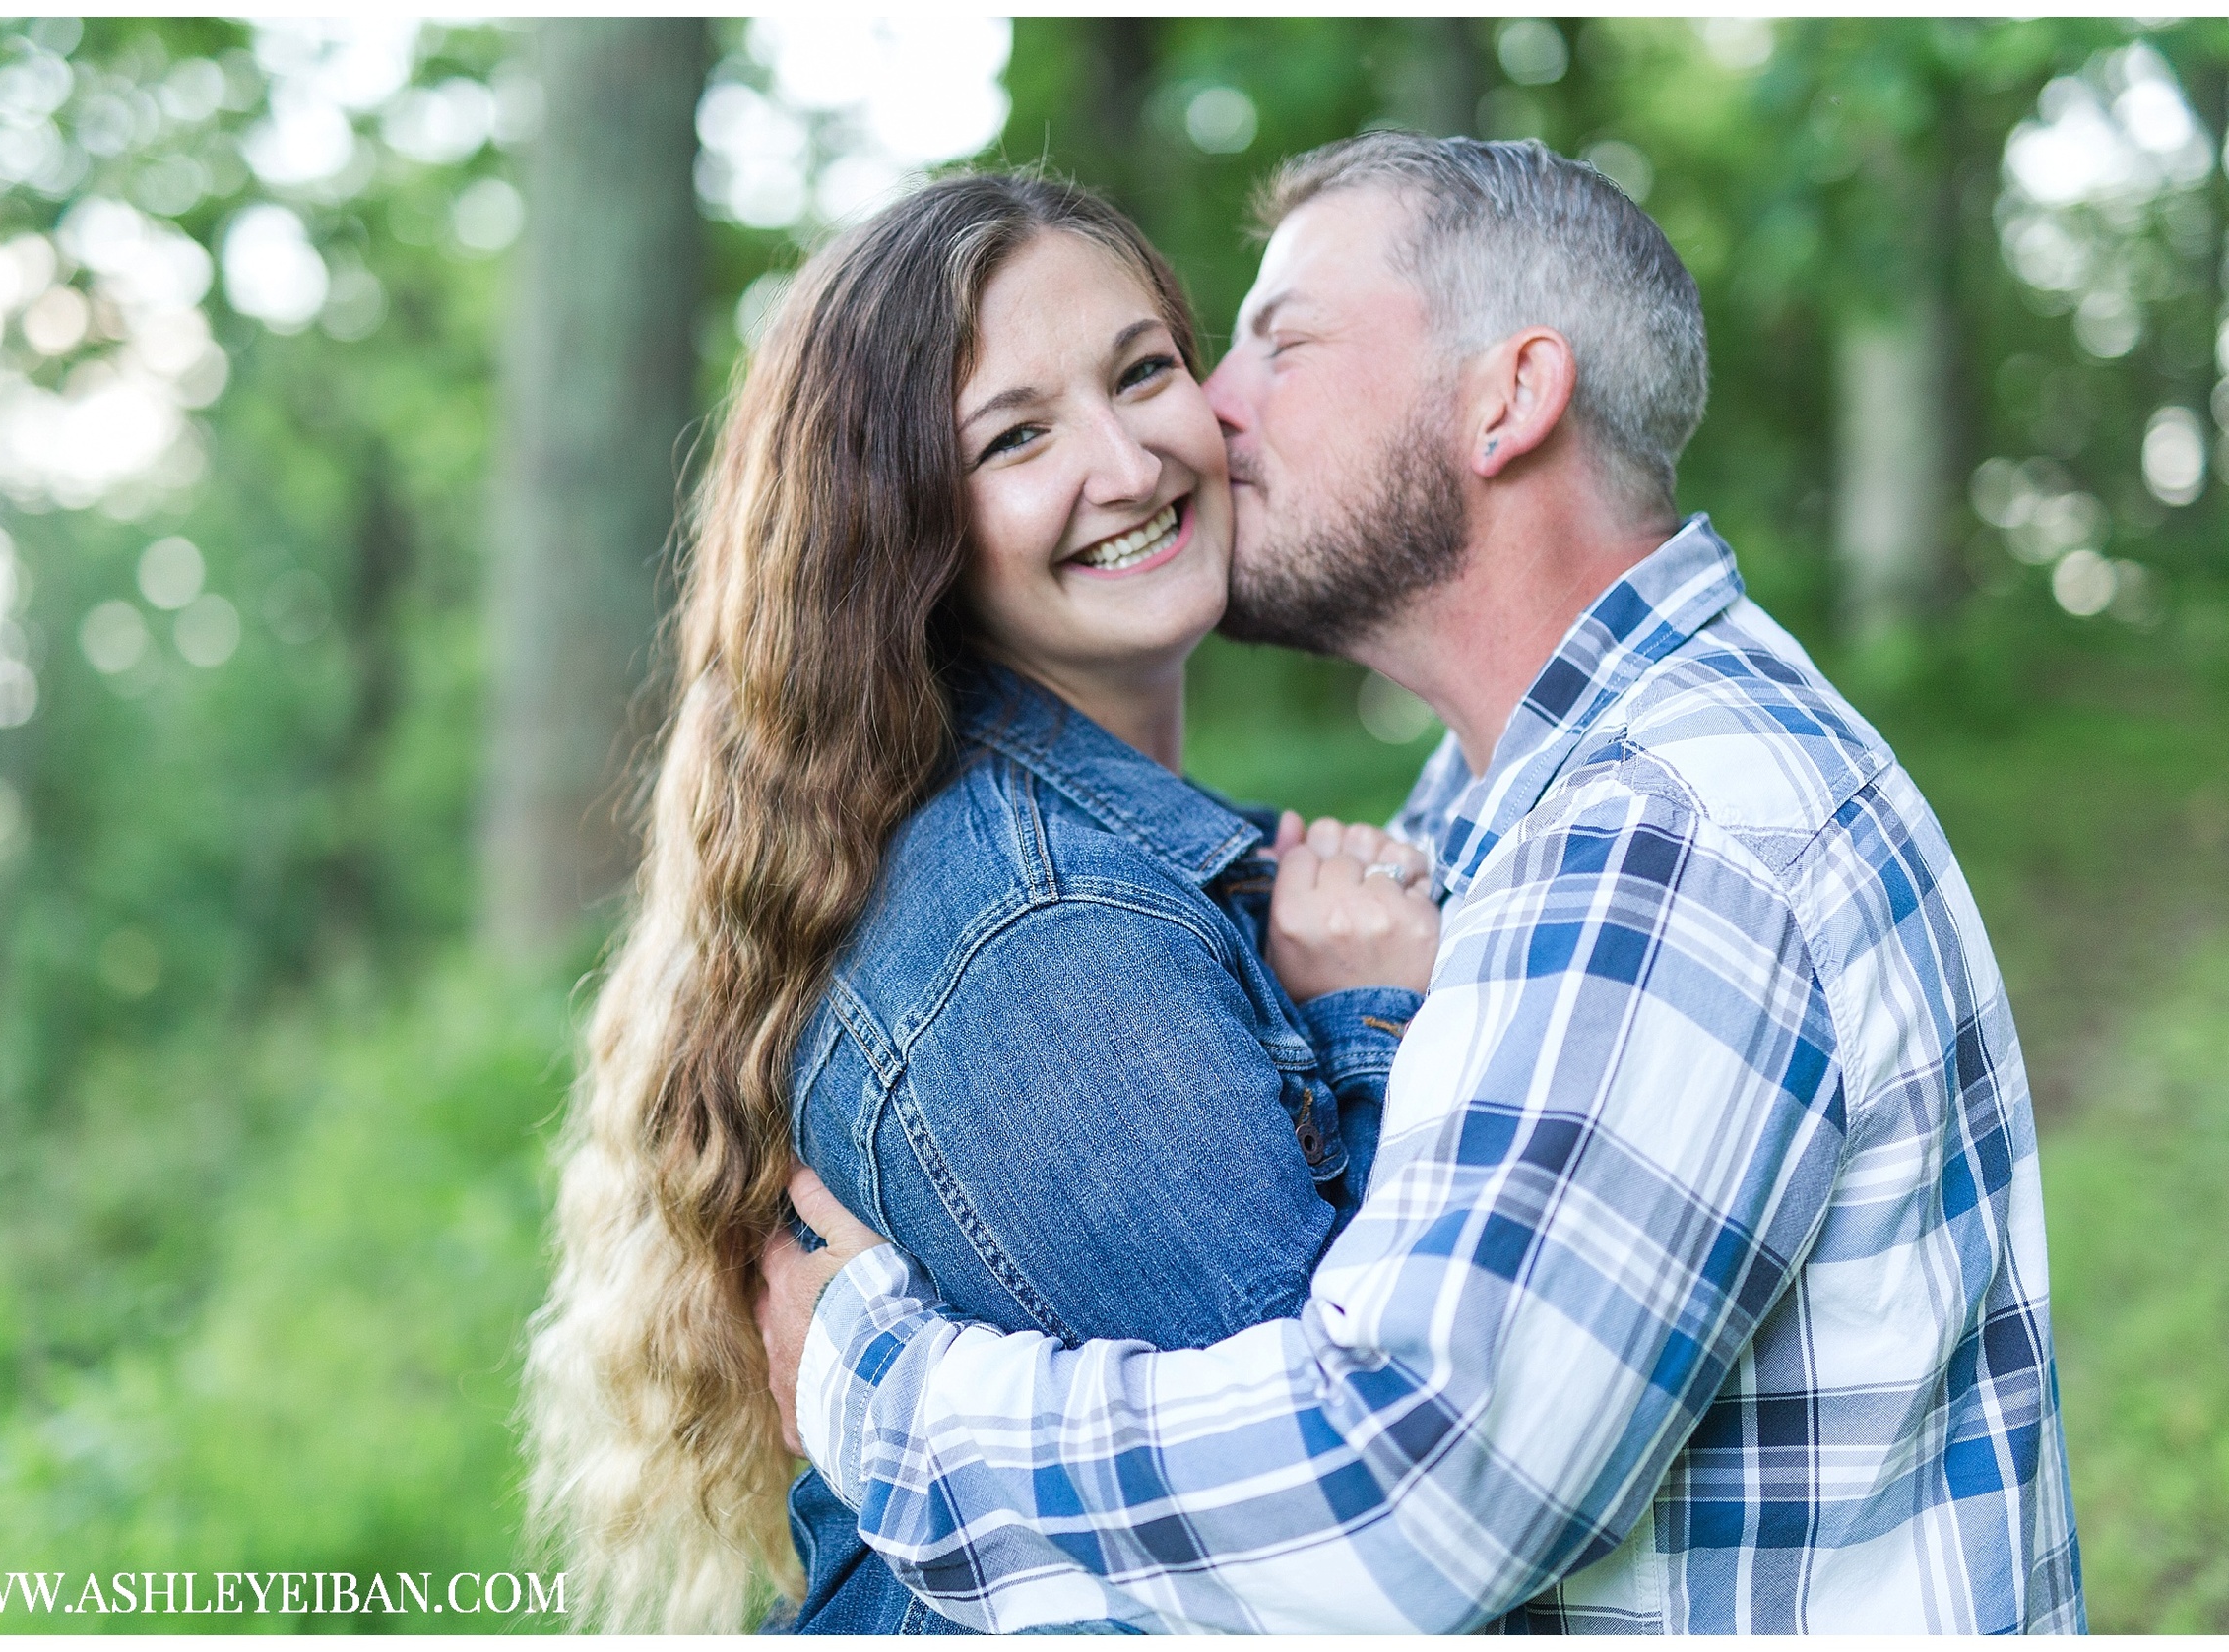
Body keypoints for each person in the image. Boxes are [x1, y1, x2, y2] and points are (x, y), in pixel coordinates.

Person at [760, 133, 2085, 1634]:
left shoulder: (1673, 826)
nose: (1209, 408)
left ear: (1506, 399)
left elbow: (1409, 1502)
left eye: (1283, 342)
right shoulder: (1508, 798)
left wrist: (876, 1384)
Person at [519, 172, 1448, 1634]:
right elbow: (1363, 1527)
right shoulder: (1042, 930)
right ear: (912, 532)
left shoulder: (1111, 860)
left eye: (1144, 372)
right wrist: (1371, 1027)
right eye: (1016, 436)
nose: (1131, 460)